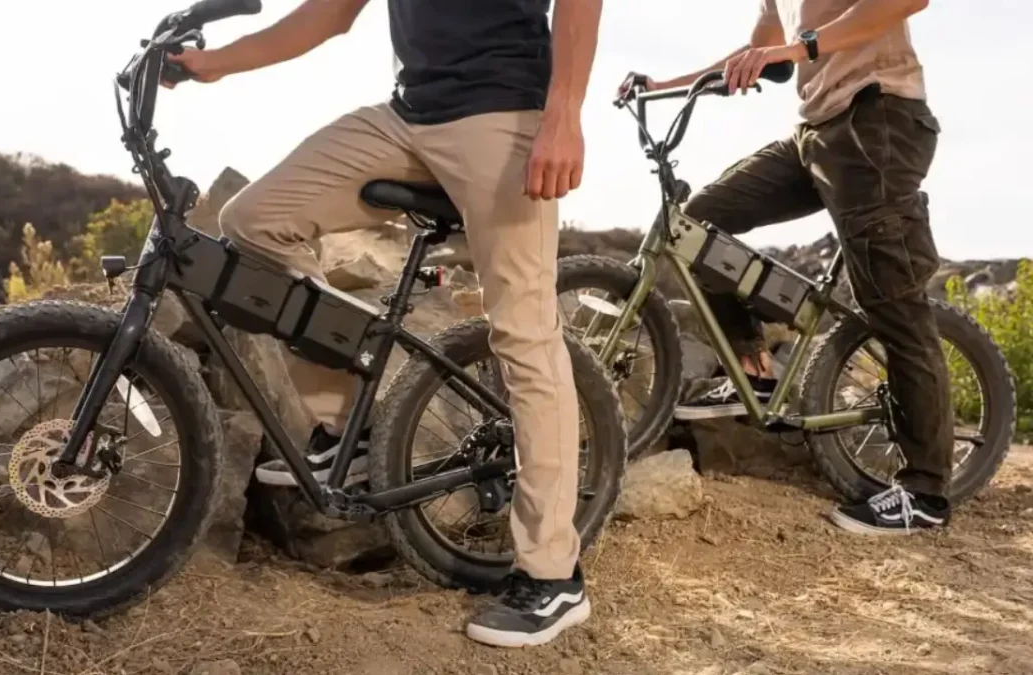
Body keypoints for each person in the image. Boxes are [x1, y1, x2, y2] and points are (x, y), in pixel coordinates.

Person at [165, 0, 602, 648]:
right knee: (254, 222)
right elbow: (329, 14)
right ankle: (355, 426)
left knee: (524, 333)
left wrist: (564, 115)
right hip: (406, 119)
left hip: (504, 114)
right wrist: (215, 64)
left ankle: (552, 574)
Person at [645, 0, 951, 534]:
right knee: (697, 222)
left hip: (877, 117)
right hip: (815, 132)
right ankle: (755, 371)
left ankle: (925, 493)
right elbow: (761, 52)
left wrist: (799, 47)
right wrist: (663, 85)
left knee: (892, 303)